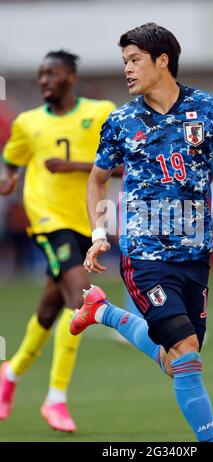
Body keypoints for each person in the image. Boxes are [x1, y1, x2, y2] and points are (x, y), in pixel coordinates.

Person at [70, 23, 213, 442]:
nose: (128, 70)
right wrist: (99, 232)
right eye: (125, 62)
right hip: (144, 256)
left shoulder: (209, 109)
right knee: (187, 356)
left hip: (195, 255)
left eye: (135, 60)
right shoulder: (120, 121)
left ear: (162, 61)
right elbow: (97, 179)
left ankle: (102, 312)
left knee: (178, 361)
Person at [0, 50, 115, 432]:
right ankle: (56, 399)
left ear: (71, 77)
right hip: (47, 221)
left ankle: (10, 372)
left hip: (87, 221)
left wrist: (75, 167)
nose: (44, 80)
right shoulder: (28, 123)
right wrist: (9, 177)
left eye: (52, 74)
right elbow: (12, 156)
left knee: (50, 310)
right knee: (81, 297)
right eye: (41, 74)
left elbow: (121, 164)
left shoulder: (101, 112)